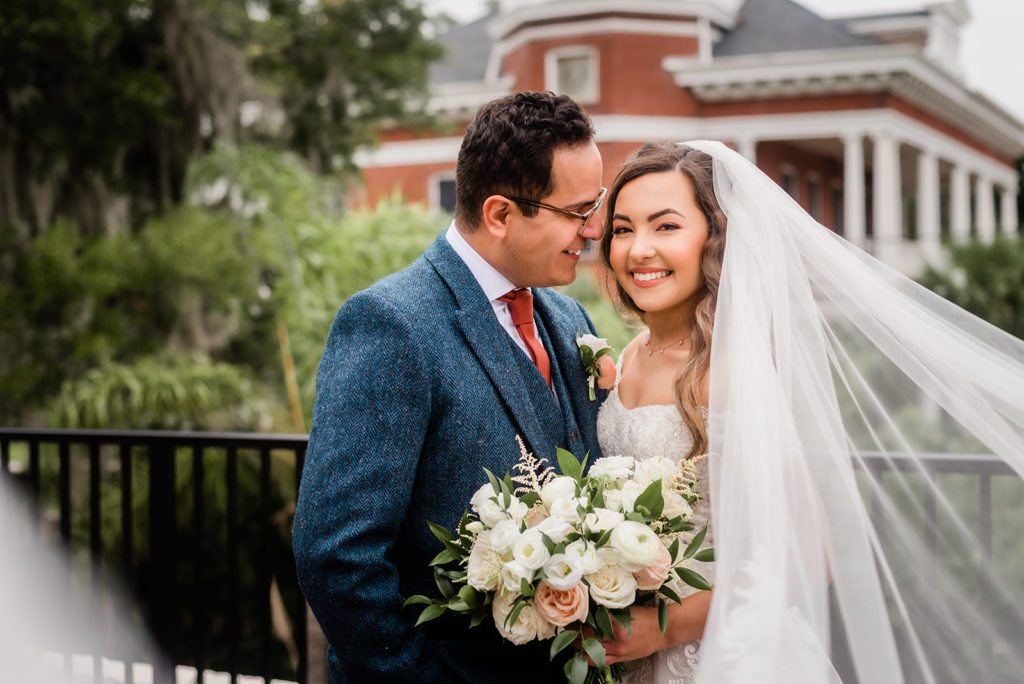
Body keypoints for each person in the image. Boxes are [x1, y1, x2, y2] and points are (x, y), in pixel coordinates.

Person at [592, 141, 1024, 683]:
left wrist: (668, 628)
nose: (639, 250)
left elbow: (808, 555)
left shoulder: (730, 368)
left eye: (666, 227)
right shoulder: (628, 356)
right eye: (624, 229)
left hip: (720, 653)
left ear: (715, 238)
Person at [292, 91, 609, 683]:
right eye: (575, 212)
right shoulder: (391, 323)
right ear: (499, 214)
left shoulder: (572, 321)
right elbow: (336, 553)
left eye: (596, 205)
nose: (593, 230)